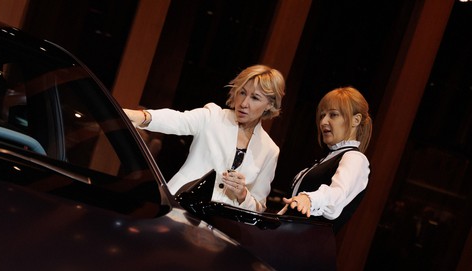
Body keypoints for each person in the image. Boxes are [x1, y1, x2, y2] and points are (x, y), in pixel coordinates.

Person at [124, 64, 285, 212]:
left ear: (270, 104)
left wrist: (243, 194)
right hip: (178, 209)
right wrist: (142, 117)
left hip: (219, 225)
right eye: (242, 93)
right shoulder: (213, 116)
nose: (244, 103)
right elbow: (178, 120)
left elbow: (259, 208)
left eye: (255, 98)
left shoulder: (270, 150)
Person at [281, 87, 373, 233]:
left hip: (308, 244)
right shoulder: (329, 158)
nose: (323, 121)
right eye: (322, 115)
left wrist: (309, 198)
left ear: (356, 120)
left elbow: (336, 196)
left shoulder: (354, 158)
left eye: (333, 115)